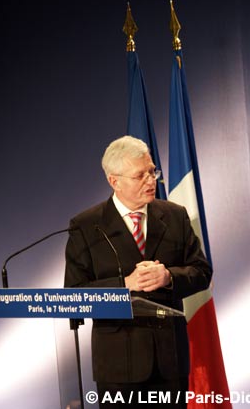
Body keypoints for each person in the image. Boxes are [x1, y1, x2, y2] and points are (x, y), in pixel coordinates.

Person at [64, 135, 212, 408]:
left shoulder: (175, 215)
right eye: (140, 175)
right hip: (119, 366)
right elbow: (74, 295)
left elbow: (202, 271)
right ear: (114, 181)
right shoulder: (85, 226)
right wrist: (125, 284)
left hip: (170, 361)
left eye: (152, 171)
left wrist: (169, 277)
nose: (151, 180)